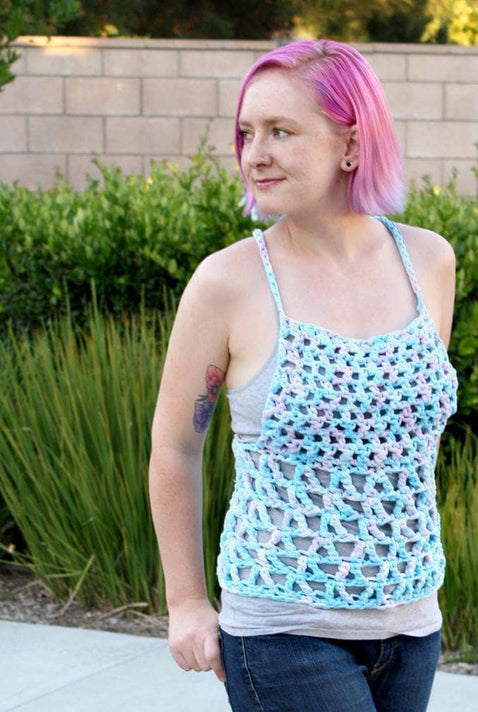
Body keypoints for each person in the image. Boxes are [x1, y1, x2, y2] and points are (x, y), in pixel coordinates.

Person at [149, 39, 458, 712]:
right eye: (246, 133)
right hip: (282, 631)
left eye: (280, 131)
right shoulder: (228, 282)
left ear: (352, 141)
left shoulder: (429, 262)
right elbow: (175, 446)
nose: (254, 154)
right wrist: (186, 602)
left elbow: (410, 437)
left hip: (410, 626)